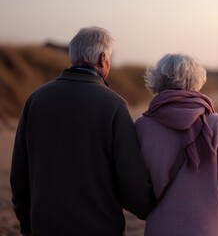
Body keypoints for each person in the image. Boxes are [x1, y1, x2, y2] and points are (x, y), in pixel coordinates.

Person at [10, 26, 155, 236]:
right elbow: (132, 181)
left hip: (45, 227)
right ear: (103, 58)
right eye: (111, 59)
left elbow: (19, 174)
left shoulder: (35, 100)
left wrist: (27, 223)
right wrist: (148, 207)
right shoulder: (114, 106)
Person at [135, 53, 218, 236]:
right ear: (196, 81)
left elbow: (136, 186)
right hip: (210, 230)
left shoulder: (143, 126)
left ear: (157, 81)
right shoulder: (215, 123)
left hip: (161, 228)